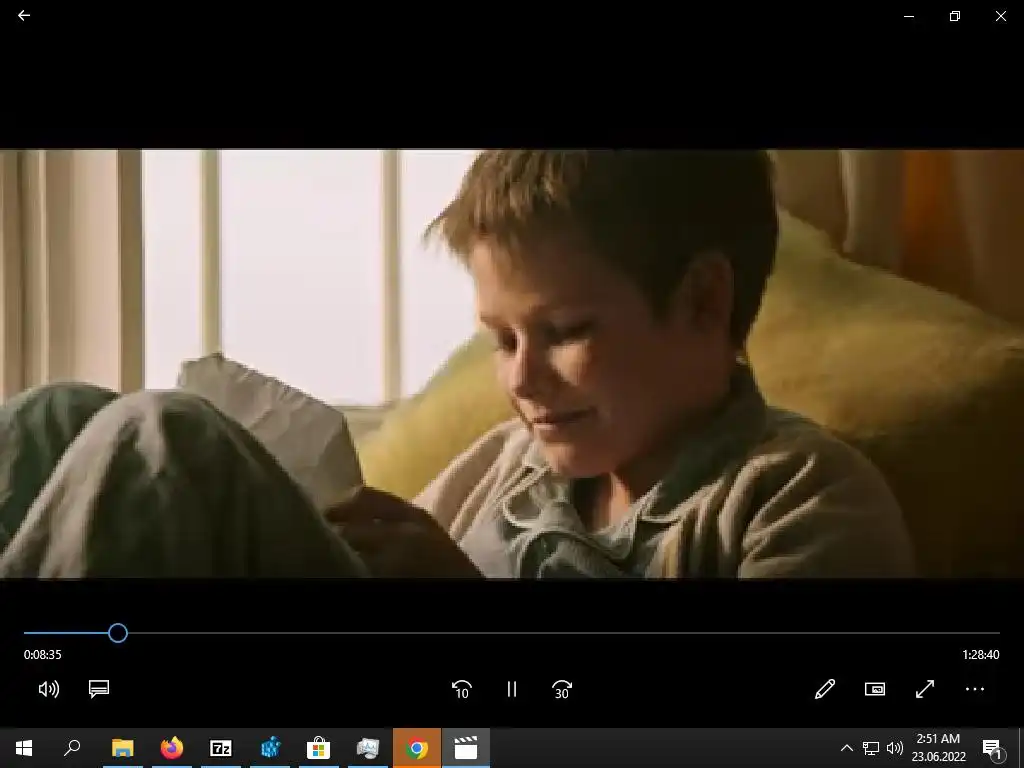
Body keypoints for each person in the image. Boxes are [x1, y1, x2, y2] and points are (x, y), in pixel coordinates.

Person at [0, 150, 915, 578]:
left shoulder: (797, 496)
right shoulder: (511, 465)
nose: (519, 379)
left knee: (163, 440)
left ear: (704, 300)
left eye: (564, 331)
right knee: (58, 416)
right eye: (501, 340)